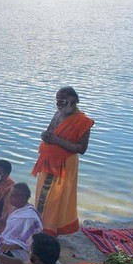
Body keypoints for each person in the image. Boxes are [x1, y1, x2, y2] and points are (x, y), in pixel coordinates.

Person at [32, 87, 94, 236]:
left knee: (53, 199)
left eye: (63, 100)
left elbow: (81, 148)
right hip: (48, 162)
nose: (59, 104)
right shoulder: (58, 113)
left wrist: (56, 140)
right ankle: (42, 227)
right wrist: (45, 135)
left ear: (73, 100)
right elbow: (50, 131)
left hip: (64, 165)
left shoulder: (84, 122)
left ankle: (49, 230)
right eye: (57, 100)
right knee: (42, 196)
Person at [0, 183, 43, 264]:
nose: (9, 197)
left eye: (13, 196)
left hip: (19, 251)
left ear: (22, 198)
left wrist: (11, 246)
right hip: (5, 241)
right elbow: (1, 223)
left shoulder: (30, 217)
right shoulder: (14, 208)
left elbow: (31, 243)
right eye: (10, 195)